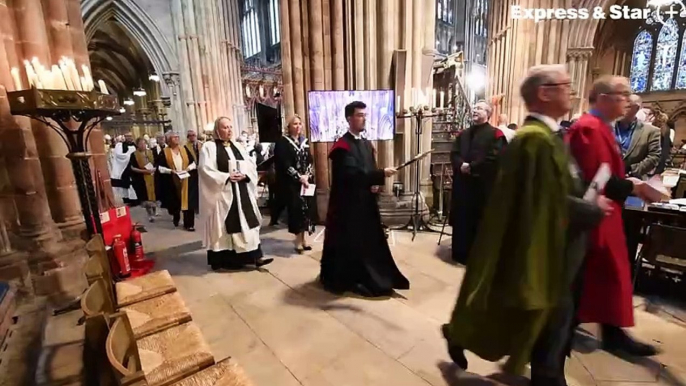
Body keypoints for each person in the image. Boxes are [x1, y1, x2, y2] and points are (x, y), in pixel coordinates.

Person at [442, 65, 608, 384]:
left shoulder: (548, 136)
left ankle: (461, 333)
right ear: (544, 93)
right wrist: (591, 210)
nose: (571, 92)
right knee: (540, 320)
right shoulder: (535, 140)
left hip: (553, 244)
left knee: (538, 321)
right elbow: (546, 201)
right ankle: (462, 334)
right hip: (539, 248)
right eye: (565, 85)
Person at [568, 75, 659, 357]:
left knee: (607, 276)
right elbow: (597, 179)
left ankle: (610, 331)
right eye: (622, 94)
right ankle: (564, 332)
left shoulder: (601, 127)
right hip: (596, 213)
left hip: (606, 212)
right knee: (594, 276)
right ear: (604, 98)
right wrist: (634, 186)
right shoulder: (589, 128)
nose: (629, 100)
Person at [320, 101, 409, 298]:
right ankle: (354, 279)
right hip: (348, 206)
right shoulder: (342, 146)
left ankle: (373, 276)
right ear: (349, 118)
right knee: (353, 244)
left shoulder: (366, 143)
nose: (364, 118)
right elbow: (352, 174)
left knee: (369, 241)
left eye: (365, 115)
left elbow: (369, 166)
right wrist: (380, 174)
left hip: (366, 202)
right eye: (360, 115)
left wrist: (375, 184)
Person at [198, 117, 273, 271]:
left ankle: (256, 256)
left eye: (231, 127)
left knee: (248, 223)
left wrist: (245, 176)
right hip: (223, 194)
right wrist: (226, 177)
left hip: (241, 192)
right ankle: (225, 260)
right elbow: (205, 169)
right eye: (225, 127)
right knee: (226, 227)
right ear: (217, 130)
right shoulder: (209, 147)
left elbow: (250, 165)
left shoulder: (238, 146)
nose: (229, 130)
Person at [449, 101, 507, 264]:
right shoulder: (463, 134)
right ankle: (461, 253)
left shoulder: (496, 134)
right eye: (474, 108)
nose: (475, 110)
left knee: (480, 220)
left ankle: (479, 256)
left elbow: (495, 157)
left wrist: (472, 167)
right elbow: (454, 153)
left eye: (479, 108)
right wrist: (461, 165)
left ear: (488, 114)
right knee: (462, 219)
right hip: (463, 185)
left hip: (483, 186)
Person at [274, 115, 316, 253]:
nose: (298, 126)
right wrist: (299, 177)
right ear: (289, 127)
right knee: (296, 211)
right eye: (295, 124)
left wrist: (307, 175)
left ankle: (303, 239)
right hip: (292, 184)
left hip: (305, 182)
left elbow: (310, 160)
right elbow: (284, 163)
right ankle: (297, 241)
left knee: (306, 211)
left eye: (299, 123)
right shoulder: (283, 143)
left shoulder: (304, 142)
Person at [156, 131, 198, 231]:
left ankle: (189, 224)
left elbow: (193, 163)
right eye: (174, 137)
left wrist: (188, 169)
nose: (177, 139)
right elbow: (159, 167)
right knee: (175, 202)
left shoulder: (184, 149)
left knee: (188, 203)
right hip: (172, 181)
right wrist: (171, 171)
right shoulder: (165, 152)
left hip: (186, 180)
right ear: (169, 140)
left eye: (177, 137)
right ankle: (176, 217)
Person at [614, 95, 661, 179]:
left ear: (636, 108)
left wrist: (632, 171)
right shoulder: (607, 127)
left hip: (633, 182)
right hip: (607, 181)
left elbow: (654, 157)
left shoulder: (651, 131)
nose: (620, 110)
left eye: (626, 107)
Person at [128, 138, 158, 222]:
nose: (143, 145)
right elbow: (132, 168)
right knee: (146, 198)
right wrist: (144, 171)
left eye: (144, 143)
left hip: (153, 177)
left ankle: (154, 211)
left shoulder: (151, 152)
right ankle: (150, 214)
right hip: (142, 178)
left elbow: (157, 163)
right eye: (141, 144)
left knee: (154, 196)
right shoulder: (134, 155)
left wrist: (155, 169)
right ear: (137, 145)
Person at [111, 132, 136, 204]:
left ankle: (135, 199)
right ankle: (127, 199)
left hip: (133, 167)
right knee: (125, 185)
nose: (129, 138)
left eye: (130, 136)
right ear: (124, 137)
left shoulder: (135, 145)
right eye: (127, 136)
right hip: (124, 167)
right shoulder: (120, 145)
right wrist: (129, 155)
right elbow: (119, 155)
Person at [185, 130, 201, 214]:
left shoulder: (201, 145)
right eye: (190, 135)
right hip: (192, 172)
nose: (192, 137)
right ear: (188, 137)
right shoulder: (185, 147)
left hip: (201, 171)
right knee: (193, 190)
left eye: (194, 135)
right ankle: (195, 207)